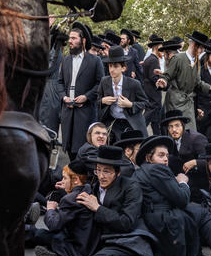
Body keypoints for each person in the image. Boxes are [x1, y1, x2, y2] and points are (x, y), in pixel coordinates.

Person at [34, 146, 142, 256]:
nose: (101, 176)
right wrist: (68, 188)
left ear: (118, 173)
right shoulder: (96, 185)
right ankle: (62, 254)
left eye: (106, 171)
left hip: (119, 241)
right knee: (56, 234)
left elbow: (126, 223)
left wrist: (98, 208)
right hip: (94, 239)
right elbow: (82, 192)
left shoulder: (131, 187)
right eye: (98, 170)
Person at [155, 31, 211, 131]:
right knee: (176, 132)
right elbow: (167, 76)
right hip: (175, 101)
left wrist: (210, 87)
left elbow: (198, 82)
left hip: (188, 102)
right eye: (201, 48)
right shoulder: (178, 58)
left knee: (191, 132)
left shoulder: (196, 61)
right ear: (194, 45)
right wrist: (163, 82)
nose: (202, 51)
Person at [57, 22, 104, 160]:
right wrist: (64, 97)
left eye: (73, 38)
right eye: (69, 38)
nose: (70, 41)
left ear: (83, 41)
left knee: (83, 150)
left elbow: (100, 84)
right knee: (69, 149)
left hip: (85, 113)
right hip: (67, 111)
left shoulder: (95, 61)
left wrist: (87, 96)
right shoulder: (66, 60)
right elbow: (59, 82)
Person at [98, 45, 149, 143]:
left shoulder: (134, 84)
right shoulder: (104, 81)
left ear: (123, 68)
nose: (112, 69)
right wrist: (103, 101)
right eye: (110, 66)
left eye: (116, 66)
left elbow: (146, 103)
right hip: (112, 123)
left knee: (131, 150)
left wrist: (130, 104)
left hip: (130, 123)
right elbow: (97, 100)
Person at [39, 23, 67, 134]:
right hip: (47, 91)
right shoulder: (50, 46)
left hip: (50, 93)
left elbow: (50, 66)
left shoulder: (55, 47)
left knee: (48, 126)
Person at [142, 35, 165, 135]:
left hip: (149, 91)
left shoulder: (149, 59)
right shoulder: (153, 60)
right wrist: (161, 81)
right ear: (156, 47)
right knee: (150, 113)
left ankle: (157, 136)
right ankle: (139, 129)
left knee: (156, 119)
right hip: (153, 93)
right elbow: (153, 77)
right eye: (161, 48)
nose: (163, 51)